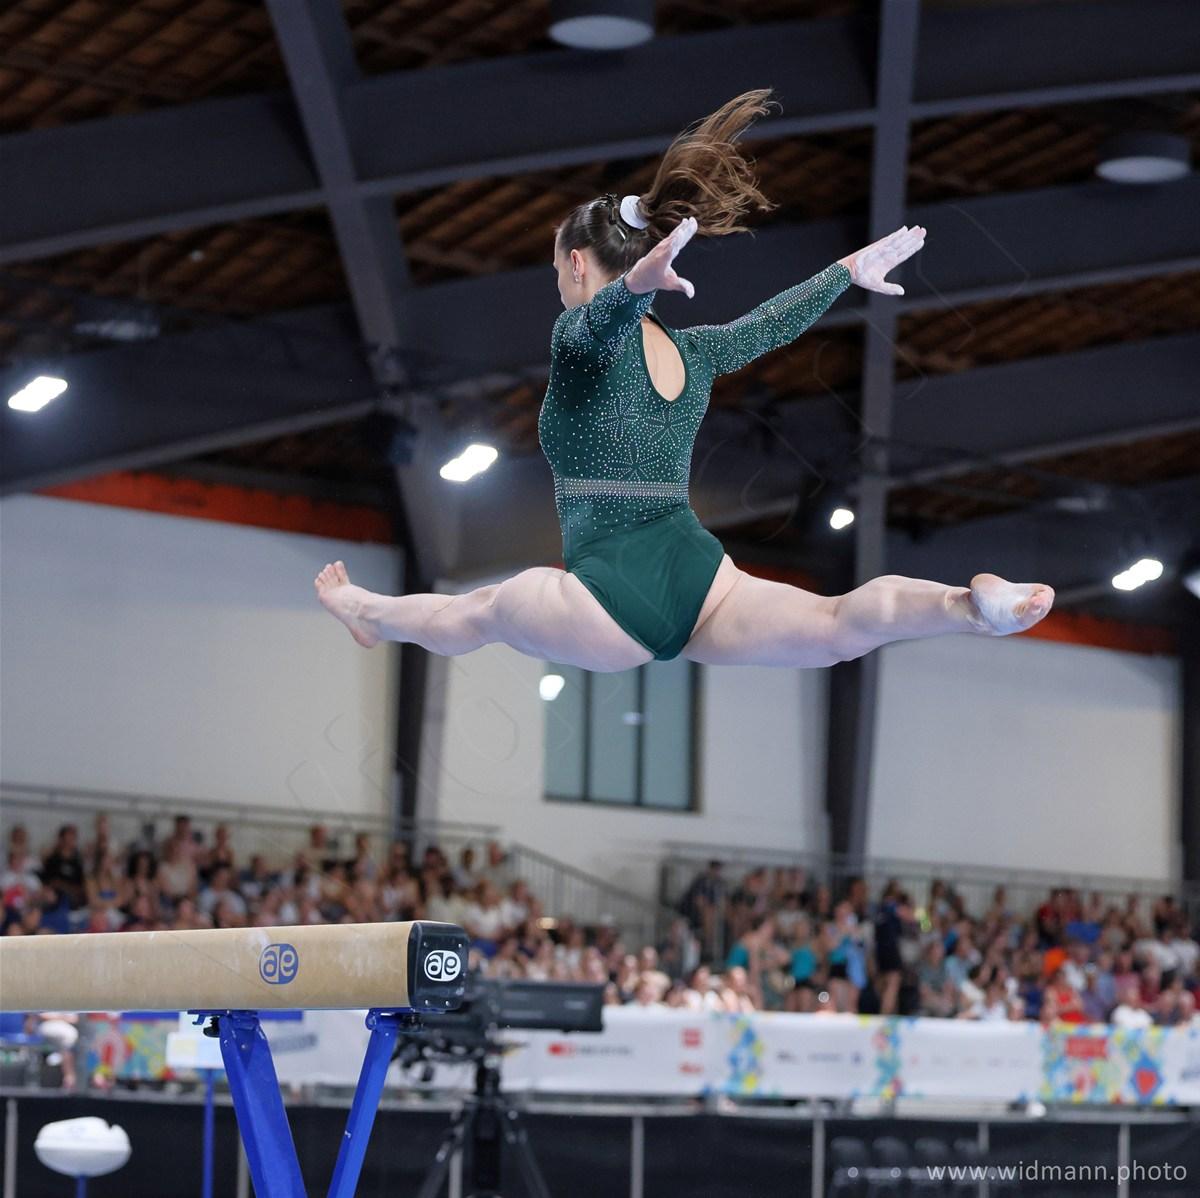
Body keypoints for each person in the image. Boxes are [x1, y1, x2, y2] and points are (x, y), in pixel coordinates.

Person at [313, 89, 1053, 672]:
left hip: (609, 591)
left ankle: (363, 609)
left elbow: (603, 326)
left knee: (475, 615)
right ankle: (969, 607)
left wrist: (635, 286)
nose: (558, 281)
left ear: (577, 264)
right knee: (835, 625)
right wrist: (843, 274)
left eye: (556, 268)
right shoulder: (691, 352)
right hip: (698, 574)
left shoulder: (577, 336)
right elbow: (765, 328)